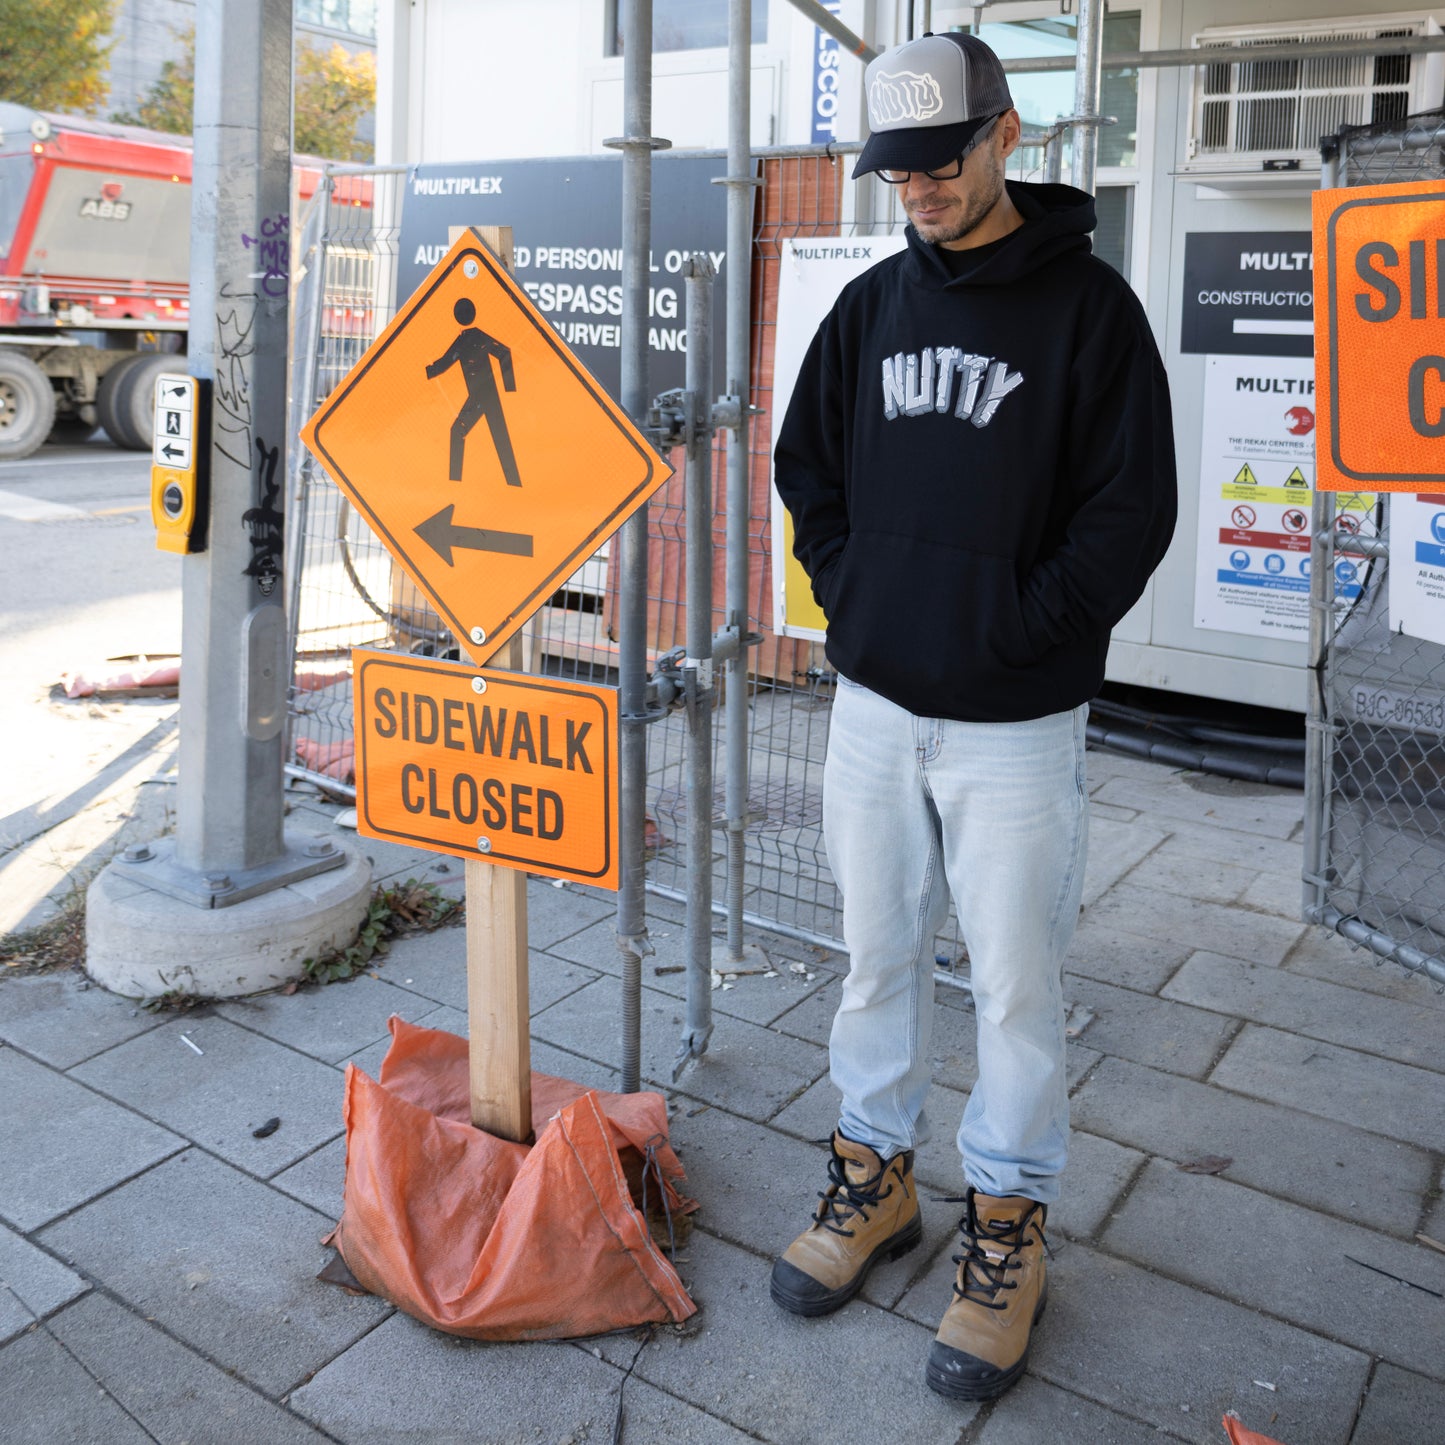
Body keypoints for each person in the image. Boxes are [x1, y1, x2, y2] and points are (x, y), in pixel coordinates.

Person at [770, 30, 1176, 1403]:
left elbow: (1130, 516)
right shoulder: (874, 306)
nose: (917, 190)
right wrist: (858, 599)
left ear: (1006, 136)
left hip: (1012, 725)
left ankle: (1004, 1231)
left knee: (1013, 987)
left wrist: (1016, 630)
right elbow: (803, 461)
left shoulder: (1091, 316)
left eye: (938, 160)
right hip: (876, 705)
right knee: (875, 958)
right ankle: (874, 1182)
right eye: (894, 169)